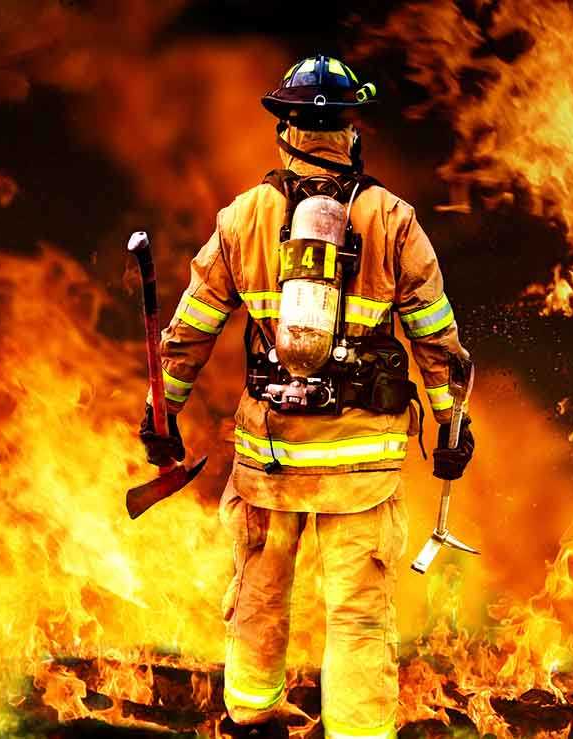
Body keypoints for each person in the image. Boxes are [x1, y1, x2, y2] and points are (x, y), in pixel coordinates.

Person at [138, 54, 475, 739]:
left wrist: (160, 414)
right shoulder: (391, 219)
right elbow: (436, 338)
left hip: (269, 460)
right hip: (363, 468)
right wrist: (449, 425)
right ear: (349, 131)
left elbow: (188, 331)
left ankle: (252, 718)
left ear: (284, 132)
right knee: (356, 612)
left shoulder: (244, 218)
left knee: (259, 595)